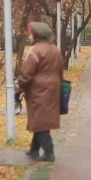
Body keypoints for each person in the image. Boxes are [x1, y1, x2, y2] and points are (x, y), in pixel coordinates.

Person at [16, 22, 64, 162]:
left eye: (30, 33)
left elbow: (26, 74)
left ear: (37, 35)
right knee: (42, 118)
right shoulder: (55, 49)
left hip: (38, 90)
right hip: (53, 88)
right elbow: (60, 71)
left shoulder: (35, 51)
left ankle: (49, 152)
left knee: (40, 119)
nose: (29, 36)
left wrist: (19, 90)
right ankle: (34, 149)